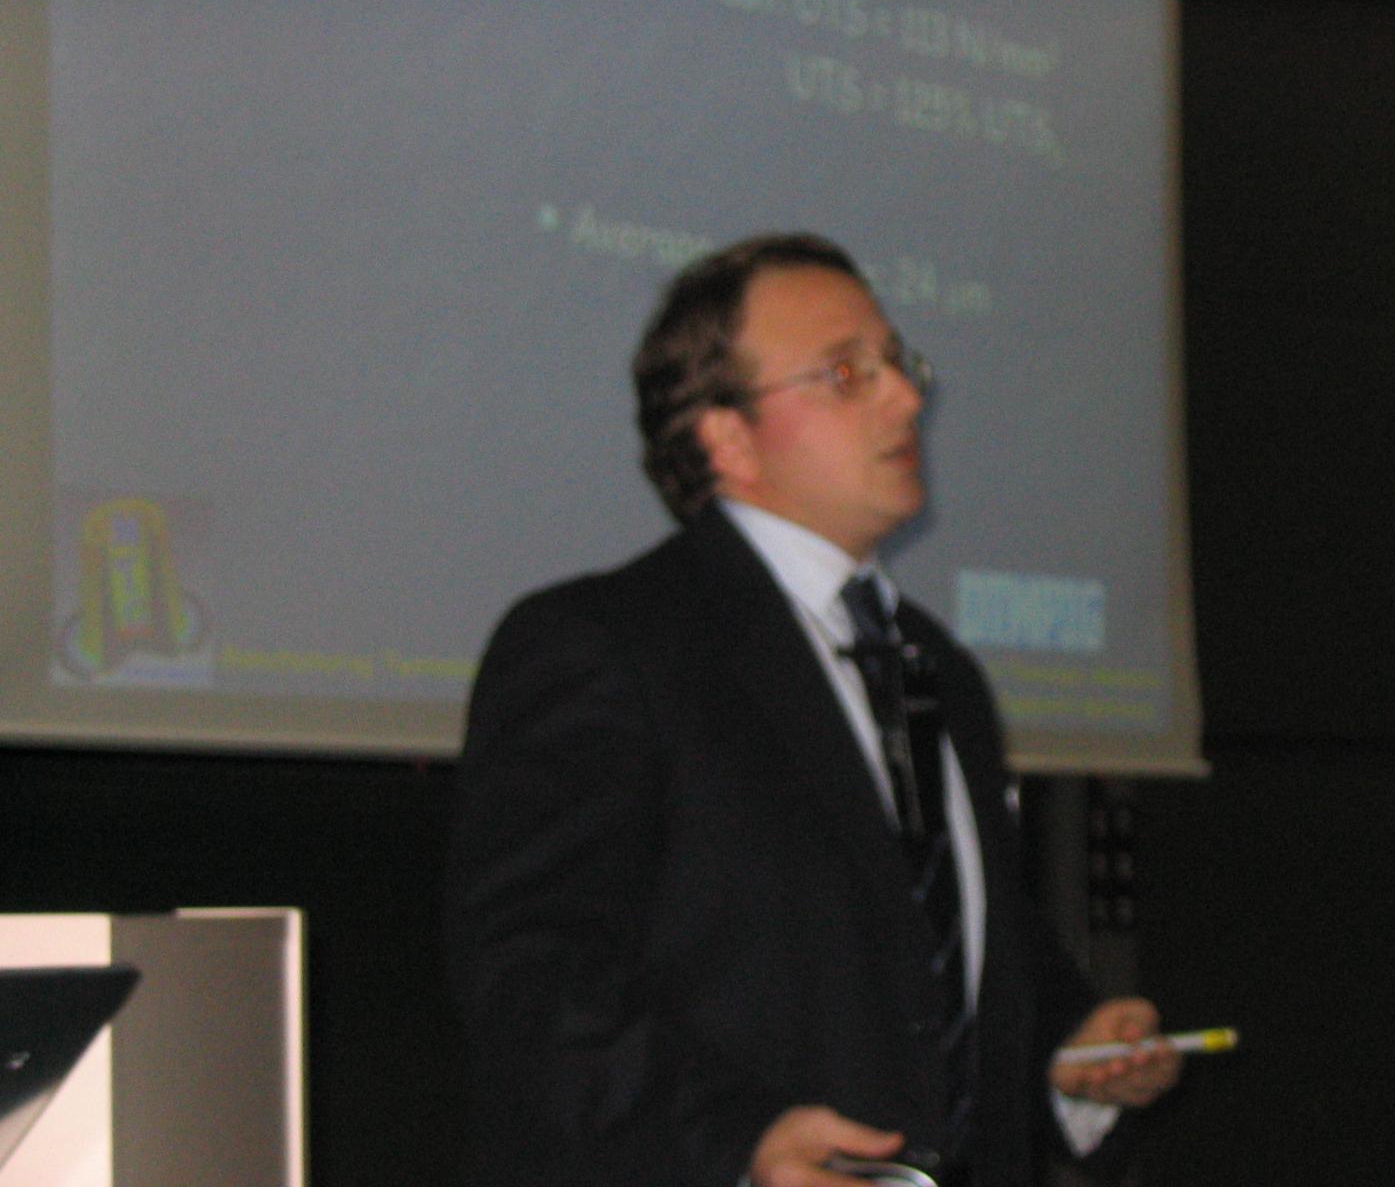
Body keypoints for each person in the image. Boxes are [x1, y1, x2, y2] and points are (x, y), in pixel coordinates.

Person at [445, 233, 1179, 1187]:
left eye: (898, 364)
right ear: (727, 438)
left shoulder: (935, 668)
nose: (905, 398)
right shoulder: (606, 647)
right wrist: (737, 1145)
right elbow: (536, 980)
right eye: (845, 374)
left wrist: (1069, 1051)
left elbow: (934, 950)